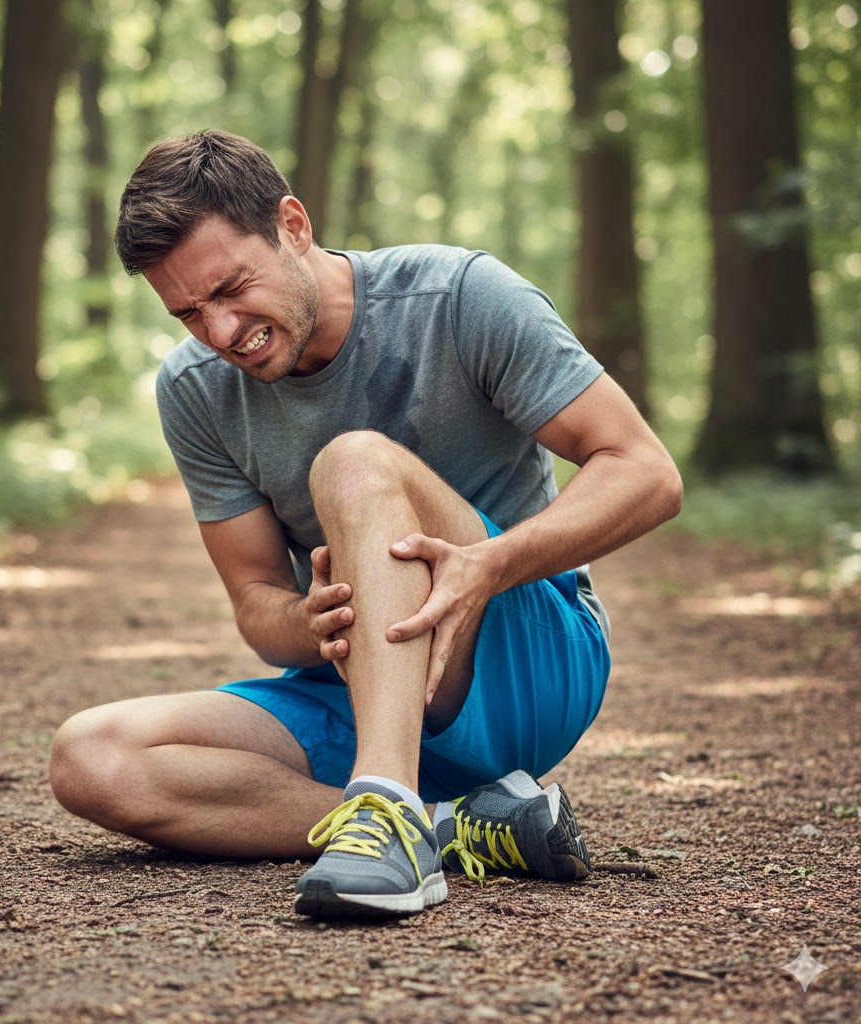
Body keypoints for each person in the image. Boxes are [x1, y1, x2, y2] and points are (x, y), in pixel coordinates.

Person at [50, 129, 682, 920]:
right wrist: (306, 624)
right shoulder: (194, 389)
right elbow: (256, 604)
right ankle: (450, 828)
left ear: (294, 225)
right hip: (353, 686)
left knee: (353, 463)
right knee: (91, 756)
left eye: (231, 288)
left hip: (523, 656)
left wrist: (489, 565)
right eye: (188, 313)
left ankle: (385, 805)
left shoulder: (460, 297)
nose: (219, 332)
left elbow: (647, 472)